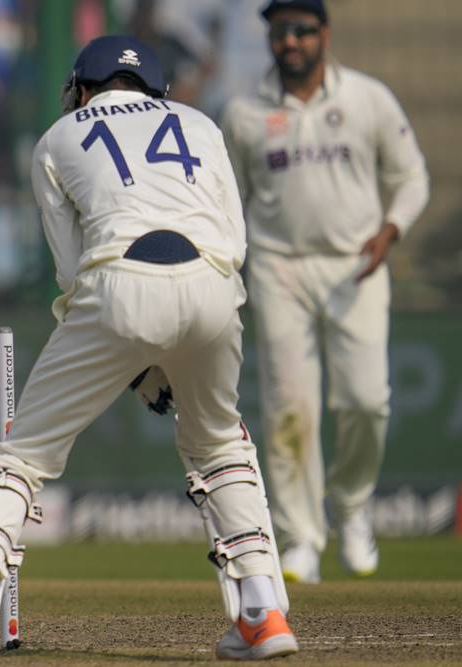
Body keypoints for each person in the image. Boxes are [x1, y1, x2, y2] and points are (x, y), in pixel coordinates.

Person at [0, 35, 298, 660]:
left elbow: (71, 271)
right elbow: (233, 239)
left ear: (82, 88)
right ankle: (264, 613)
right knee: (218, 444)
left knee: (24, 453)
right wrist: (167, 349)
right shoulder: (200, 123)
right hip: (216, 287)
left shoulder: (58, 139)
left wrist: (130, 347)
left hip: (117, 283)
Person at [221, 0, 429, 584]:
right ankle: (300, 538)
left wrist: (391, 231)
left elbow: (411, 176)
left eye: (301, 30)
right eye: (279, 30)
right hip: (279, 268)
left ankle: (353, 505)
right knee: (291, 407)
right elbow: (225, 200)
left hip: (355, 264)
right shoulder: (243, 112)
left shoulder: (367, 98)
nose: (290, 41)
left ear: (324, 34)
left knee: (367, 400)